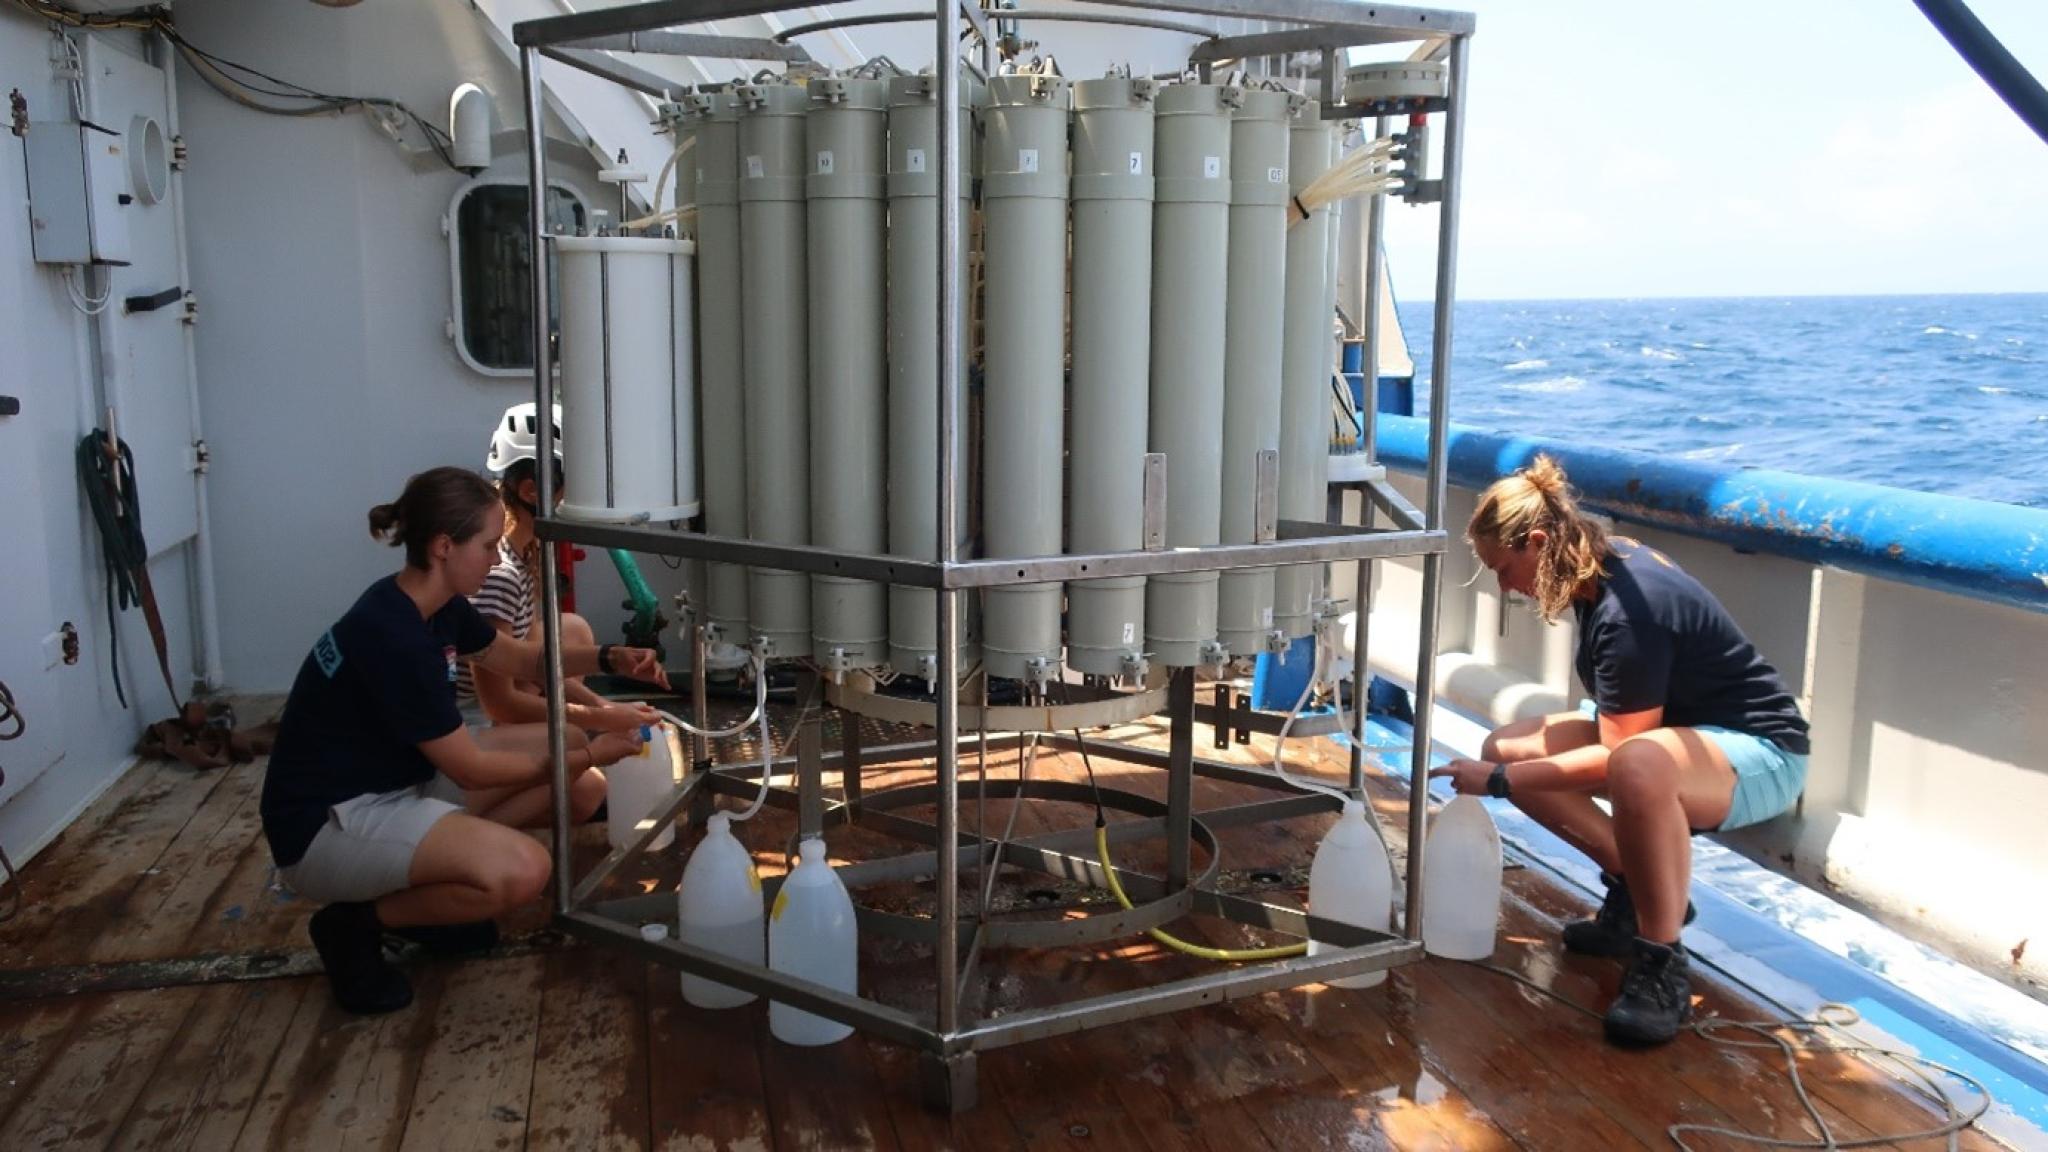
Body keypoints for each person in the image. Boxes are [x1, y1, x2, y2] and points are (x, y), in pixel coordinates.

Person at [261, 465, 670, 1014]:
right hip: (325, 828)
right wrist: (591, 752)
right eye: (486, 543)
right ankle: (353, 925)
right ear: (443, 547)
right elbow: (471, 770)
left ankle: (431, 898)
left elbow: (523, 658)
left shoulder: (429, 606)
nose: (496, 555)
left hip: (390, 782)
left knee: (567, 772)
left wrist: (609, 658)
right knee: (525, 869)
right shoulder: (394, 639)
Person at [1430, 456, 1809, 1046]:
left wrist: (1500, 784)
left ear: (1537, 541)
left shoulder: (1632, 609)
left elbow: (1622, 753)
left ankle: (1661, 959)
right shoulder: (1600, 559)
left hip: (1756, 750)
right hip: (1677, 734)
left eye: (1504, 569)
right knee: (1505, 744)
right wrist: (1505, 765)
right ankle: (1636, 890)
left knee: (1627, 764)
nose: (1505, 587)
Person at [458, 402, 656, 734]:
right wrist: (598, 719)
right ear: (531, 491)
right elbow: (500, 702)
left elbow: (538, 665)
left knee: (570, 630)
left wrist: (605, 707)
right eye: (574, 490)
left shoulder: (524, 549)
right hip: (472, 719)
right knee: (575, 745)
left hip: (496, 701)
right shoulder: (500, 574)